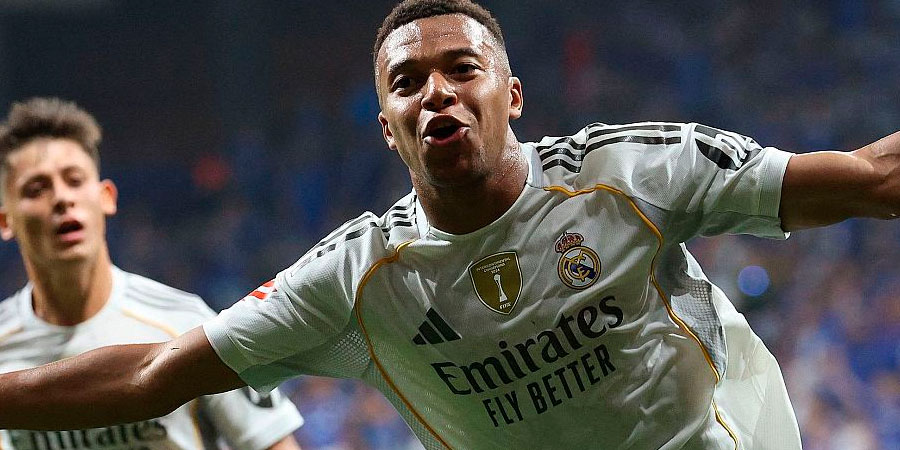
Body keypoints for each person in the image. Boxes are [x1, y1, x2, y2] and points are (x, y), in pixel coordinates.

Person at [1, 0, 899, 448]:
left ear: (513, 96)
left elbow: (864, 178)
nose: (436, 91)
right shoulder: (356, 278)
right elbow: (154, 373)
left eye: (462, 69)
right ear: (386, 127)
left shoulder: (632, 171)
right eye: (408, 83)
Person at [0, 97, 304, 450]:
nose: (61, 198)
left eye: (74, 180)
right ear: (6, 220)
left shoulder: (186, 323)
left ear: (106, 197)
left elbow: (276, 444)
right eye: (36, 189)